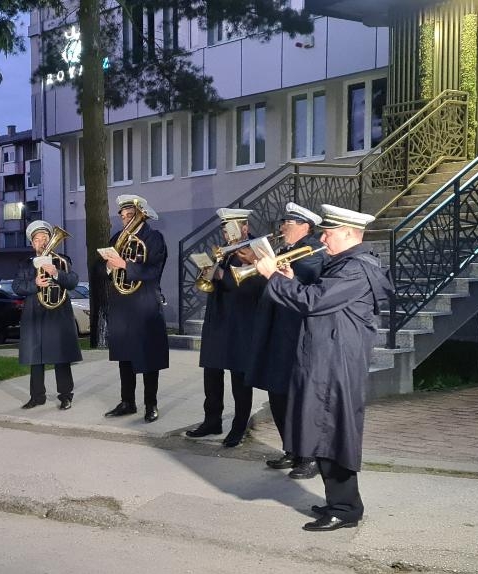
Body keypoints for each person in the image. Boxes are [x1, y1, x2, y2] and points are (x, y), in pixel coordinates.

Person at [255, 203, 393, 532]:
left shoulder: (355, 268)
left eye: (329, 232)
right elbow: (317, 295)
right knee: (325, 431)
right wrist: (289, 279)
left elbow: (314, 302)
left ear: (348, 233)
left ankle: (345, 508)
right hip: (330, 360)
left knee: (334, 433)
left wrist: (273, 277)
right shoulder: (344, 263)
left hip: (336, 364)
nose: (323, 238)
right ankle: (340, 503)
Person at [247, 203, 327, 479]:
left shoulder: (314, 251)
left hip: (296, 334)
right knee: (278, 394)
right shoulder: (284, 251)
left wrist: (277, 271)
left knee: (298, 398)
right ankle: (291, 449)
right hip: (276, 331)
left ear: (305, 226)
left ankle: (310, 455)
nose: (282, 227)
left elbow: (303, 283)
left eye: (288, 223)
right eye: (283, 222)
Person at [186, 208, 265, 447]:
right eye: (223, 227)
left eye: (230, 227)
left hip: (242, 322)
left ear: (244, 228)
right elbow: (214, 281)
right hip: (218, 319)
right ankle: (212, 421)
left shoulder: (255, 249)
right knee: (211, 374)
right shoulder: (224, 251)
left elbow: (255, 286)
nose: (225, 232)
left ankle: (239, 426)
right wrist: (207, 271)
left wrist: (221, 275)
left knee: (239, 379)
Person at [100, 195, 169, 423]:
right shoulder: (116, 238)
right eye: (123, 216)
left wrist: (125, 265)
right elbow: (103, 270)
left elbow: (153, 271)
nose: (126, 219)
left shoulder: (153, 238)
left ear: (141, 215)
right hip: (122, 304)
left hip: (144, 304)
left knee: (148, 357)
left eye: (130, 215)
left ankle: (151, 405)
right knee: (125, 356)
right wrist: (110, 267)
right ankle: (127, 402)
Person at [11, 220, 82, 410]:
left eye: (45, 238)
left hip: (58, 315)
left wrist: (56, 273)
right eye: (37, 239)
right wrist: (36, 284)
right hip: (35, 315)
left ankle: (66, 395)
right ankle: (37, 396)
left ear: (51, 240)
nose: (41, 242)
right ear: (32, 243)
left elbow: (73, 281)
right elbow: (16, 287)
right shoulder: (26, 264)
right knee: (36, 357)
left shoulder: (62, 260)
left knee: (61, 357)